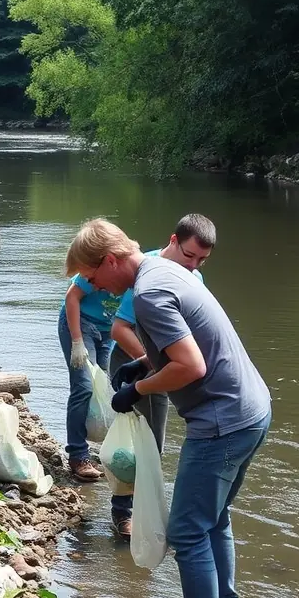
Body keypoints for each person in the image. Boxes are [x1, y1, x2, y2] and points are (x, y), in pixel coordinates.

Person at [66, 219, 271, 598]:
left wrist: (136, 387)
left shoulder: (149, 291)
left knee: (187, 531)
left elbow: (191, 364)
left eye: (95, 278)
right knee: (214, 521)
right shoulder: (166, 271)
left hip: (222, 422)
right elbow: (189, 346)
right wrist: (144, 362)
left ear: (112, 261)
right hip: (252, 410)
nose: (94, 287)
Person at [106, 214, 216, 539]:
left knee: (155, 444)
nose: (194, 265)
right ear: (172, 241)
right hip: (132, 363)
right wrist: (147, 363)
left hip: (162, 370)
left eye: (202, 260)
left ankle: (145, 510)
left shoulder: (192, 278)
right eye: (189, 255)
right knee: (136, 445)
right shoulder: (148, 272)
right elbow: (119, 328)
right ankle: (122, 513)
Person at [57, 272, 122, 482]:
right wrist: (77, 342)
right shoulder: (97, 266)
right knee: (84, 386)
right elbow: (71, 297)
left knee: (108, 389)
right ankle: (78, 455)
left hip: (109, 332)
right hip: (79, 323)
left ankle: (106, 449)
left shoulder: (137, 274)